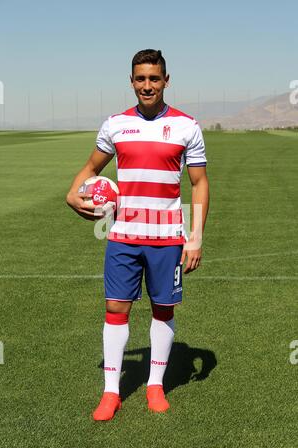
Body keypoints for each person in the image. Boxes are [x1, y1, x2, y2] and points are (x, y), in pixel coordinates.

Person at [66, 49, 209, 421]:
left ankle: (155, 385)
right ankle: (111, 393)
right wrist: (72, 191)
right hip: (123, 236)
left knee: (164, 308)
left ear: (166, 80)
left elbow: (199, 183)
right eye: (141, 79)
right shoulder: (115, 124)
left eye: (154, 78)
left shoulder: (186, 126)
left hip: (167, 238)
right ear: (132, 82)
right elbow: (91, 167)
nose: (148, 85)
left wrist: (194, 238)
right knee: (116, 308)